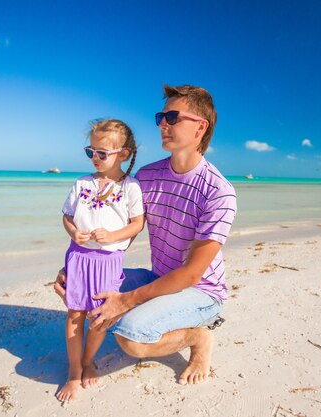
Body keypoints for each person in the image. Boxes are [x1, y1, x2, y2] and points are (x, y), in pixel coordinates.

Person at [55, 84, 236, 385]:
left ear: (200, 127)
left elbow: (192, 274)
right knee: (89, 289)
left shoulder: (219, 192)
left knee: (132, 339)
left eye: (173, 117)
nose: (163, 124)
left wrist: (125, 301)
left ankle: (198, 337)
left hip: (201, 291)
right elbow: (123, 228)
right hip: (159, 276)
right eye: (161, 117)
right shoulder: (148, 177)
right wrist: (77, 266)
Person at [55, 119, 144, 402]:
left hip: (109, 260)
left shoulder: (130, 187)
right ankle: (73, 370)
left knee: (98, 317)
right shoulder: (81, 183)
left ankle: (88, 361)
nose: (95, 158)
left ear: (123, 154)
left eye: (102, 153)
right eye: (90, 151)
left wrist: (113, 235)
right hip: (79, 257)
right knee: (74, 313)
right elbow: (67, 216)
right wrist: (73, 232)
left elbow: (137, 224)